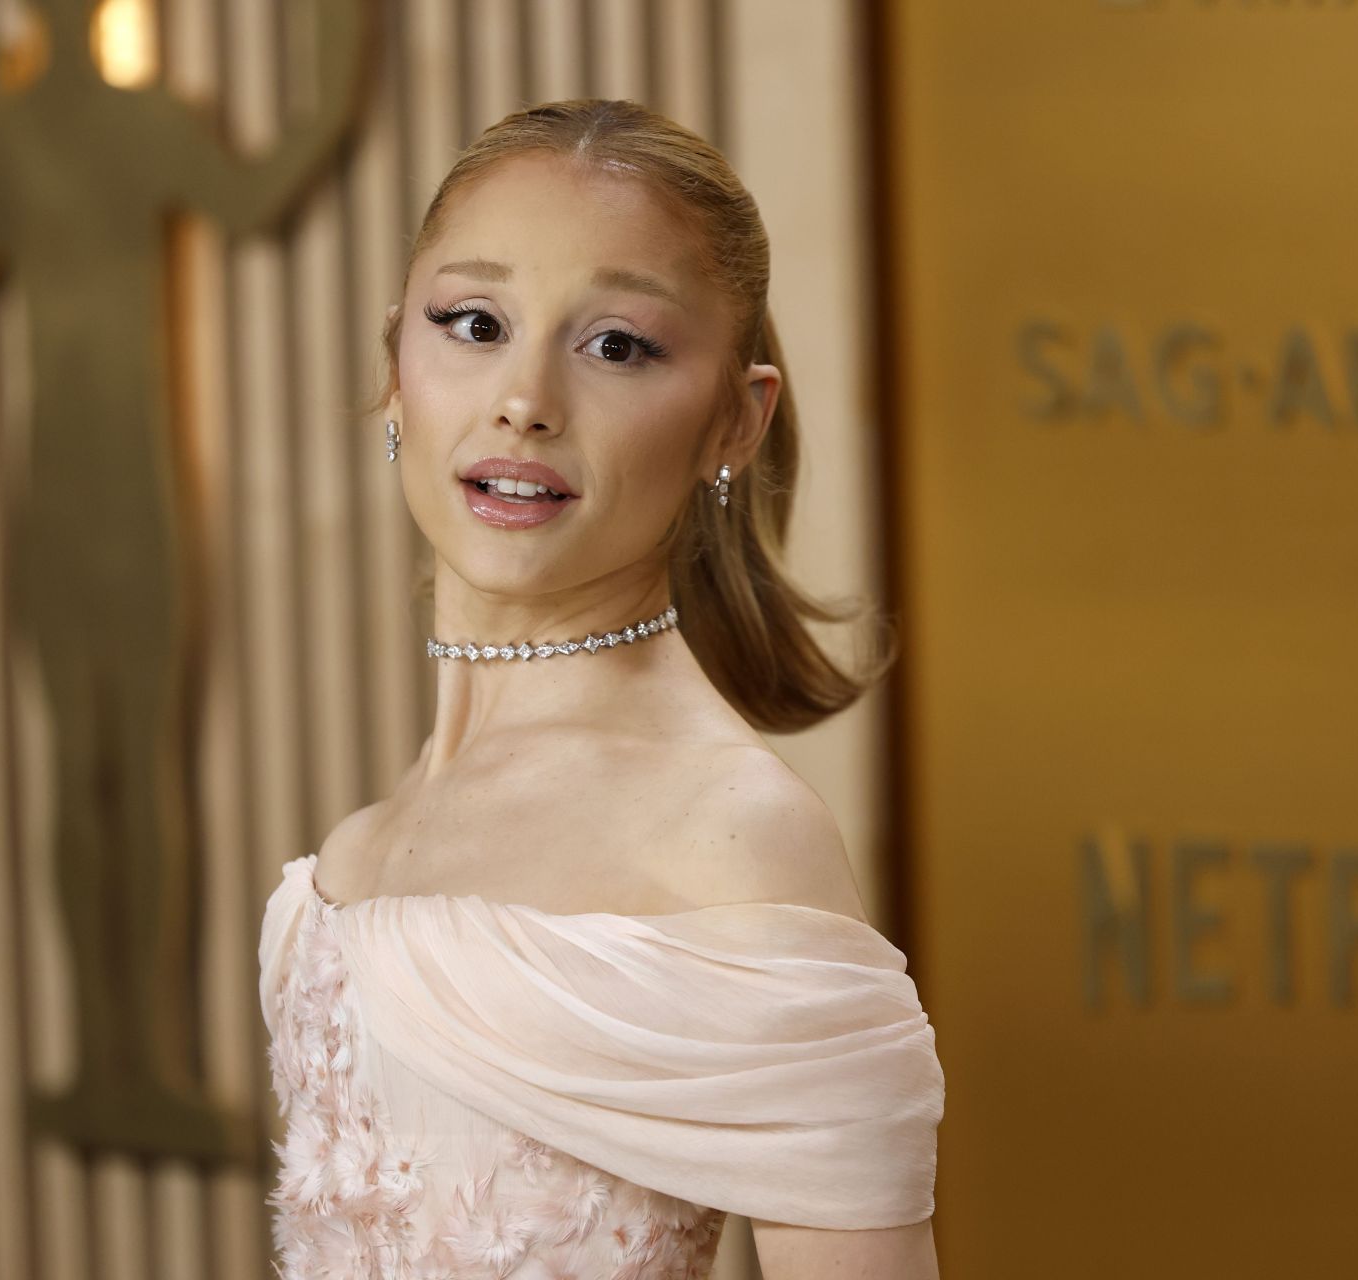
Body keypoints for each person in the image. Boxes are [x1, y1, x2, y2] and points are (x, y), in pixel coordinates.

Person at [258, 98, 944, 1279]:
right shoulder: (359, 849)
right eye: (473, 321)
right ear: (393, 369)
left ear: (737, 417)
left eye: (617, 343)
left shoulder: (732, 834)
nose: (524, 397)